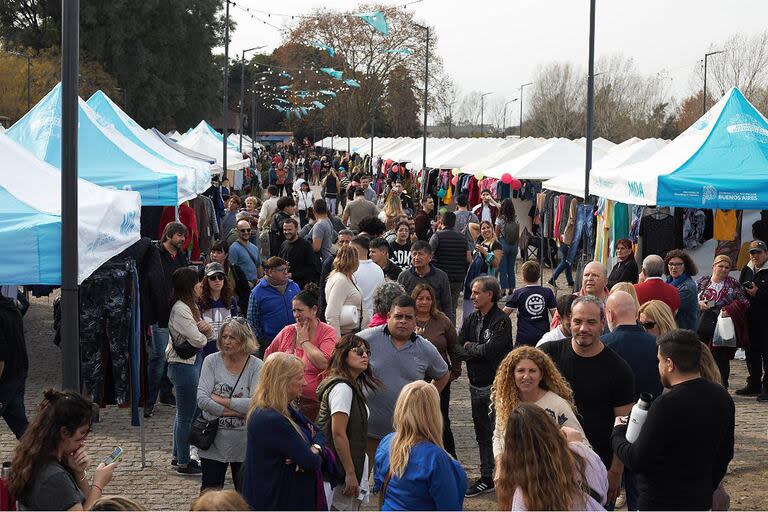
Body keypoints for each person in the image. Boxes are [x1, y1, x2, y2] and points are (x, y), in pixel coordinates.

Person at [611, 329, 735, 510]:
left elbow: (637, 459)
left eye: (659, 361)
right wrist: (706, 486)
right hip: (699, 501)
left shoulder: (666, 405)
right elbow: (725, 454)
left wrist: (618, 433)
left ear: (669, 363)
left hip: (660, 503)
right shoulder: (722, 397)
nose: (658, 367)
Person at [539, 295, 635, 507]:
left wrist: (615, 472)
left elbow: (624, 424)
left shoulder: (618, 369)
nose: (583, 328)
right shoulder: (547, 356)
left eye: (591, 322)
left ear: (603, 323)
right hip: (548, 466)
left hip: (596, 470)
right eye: (577, 321)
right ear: (568, 321)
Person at [357, 295, 450, 465]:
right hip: (366, 431)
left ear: (416, 321)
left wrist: (426, 398)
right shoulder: (366, 339)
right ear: (388, 317)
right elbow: (342, 360)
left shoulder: (425, 348)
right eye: (398, 316)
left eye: (408, 317)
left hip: (404, 435)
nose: (403, 321)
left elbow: (443, 374)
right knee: (361, 484)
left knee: (394, 485)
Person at [242, 353, 326, 511]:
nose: (305, 382)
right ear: (283, 381)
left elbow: (319, 433)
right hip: (277, 500)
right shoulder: (271, 418)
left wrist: (315, 448)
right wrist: (310, 450)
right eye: (300, 377)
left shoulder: (284, 409)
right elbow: (311, 462)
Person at [9, 390, 118, 510]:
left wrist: (79, 473)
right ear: (64, 432)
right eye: (81, 434)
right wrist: (98, 484)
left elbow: (87, 502)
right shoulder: (55, 477)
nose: (84, 441)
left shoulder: (38, 457)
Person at [453, 276, 513, 497]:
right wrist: (473, 348)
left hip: (497, 386)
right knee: (481, 434)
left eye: (477, 292)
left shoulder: (501, 320)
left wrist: (471, 347)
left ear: (490, 295)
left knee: (500, 433)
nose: (473, 296)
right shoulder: (471, 318)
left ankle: (504, 475)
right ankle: (487, 476)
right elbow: (457, 347)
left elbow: (492, 351)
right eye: (472, 292)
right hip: (474, 385)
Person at [373, 381, 467, 511]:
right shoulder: (436, 458)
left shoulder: (387, 442)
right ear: (433, 413)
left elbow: (378, 483)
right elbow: (449, 506)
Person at [496, 404, 607, 511]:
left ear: (513, 447)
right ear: (549, 425)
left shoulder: (524, 491)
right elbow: (603, 489)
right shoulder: (583, 454)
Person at [196, 318, 262, 492]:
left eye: (232, 337)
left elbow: (255, 404)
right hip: (213, 441)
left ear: (244, 340)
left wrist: (220, 400)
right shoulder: (211, 361)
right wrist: (236, 412)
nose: (226, 341)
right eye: (224, 336)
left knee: (244, 497)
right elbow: (202, 399)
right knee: (209, 494)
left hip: (244, 444)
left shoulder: (256, 366)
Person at [316, 335, 380, 509]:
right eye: (359, 351)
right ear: (343, 355)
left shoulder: (351, 385)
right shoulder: (342, 388)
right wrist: (350, 473)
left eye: (367, 352)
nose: (364, 355)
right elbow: (338, 433)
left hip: (343, 467)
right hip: (337, 471)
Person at [491, 347, 584, 459]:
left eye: (532, 371)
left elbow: (580, 442)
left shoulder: (557, 405)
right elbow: (498, 436)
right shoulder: (506, 403)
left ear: (541, 375)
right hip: (514, 471)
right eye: (521, 371)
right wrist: (500, 462)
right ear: (512, 374)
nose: (526, 376)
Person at [264, 287, 336, 420]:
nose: (296, 315)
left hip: (315, 405)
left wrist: (304, 341)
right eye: (294, 311)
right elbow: (268, 357)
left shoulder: (328, 332)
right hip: (284, 404)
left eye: (300, 310)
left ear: (314, 310)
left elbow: (323, 363)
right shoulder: (288, 331)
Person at [167, 266, 213, 475]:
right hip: (183, 366)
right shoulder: (181, 309)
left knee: (183, 413)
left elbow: (207, 333)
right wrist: (203, 334)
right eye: (197, 282)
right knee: (187, 415)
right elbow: (198, 338)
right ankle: (184, 461)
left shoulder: (190, 306)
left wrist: (204, 333)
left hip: (192, 362)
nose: (201, 285)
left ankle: (179, 456)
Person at [412, 283, 461, 457]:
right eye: (420, 298)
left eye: (428, 298)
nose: (424, 302)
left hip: (440, 378)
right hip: (415, 379)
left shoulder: (442, 321)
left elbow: (454, 347)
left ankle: (449, 457)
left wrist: (454, 372)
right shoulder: (408, 321)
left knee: (441, 419)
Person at [146, 222, 189, 417]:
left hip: (177, 314)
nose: (182, 240)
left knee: (171, 356)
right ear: (169, 235)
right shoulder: (154, 255)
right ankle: (149, 400)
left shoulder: (180, 256)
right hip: (159, 315)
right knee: (158, 358)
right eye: (180, 235)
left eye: (183, 236)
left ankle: (165, 393)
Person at [696, 254, 749, 389]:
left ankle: (722, 384)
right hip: (704, 322)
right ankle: (702, 383)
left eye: (727, 267)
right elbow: (691, 301)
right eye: (721, 266)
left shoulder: (733, 283)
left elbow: (744, 302)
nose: (724, 269)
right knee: (702, 354)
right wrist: (699, 303)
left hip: (723, 324)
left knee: (721, 357)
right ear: (714, 266)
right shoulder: (703, 281)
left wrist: (729, 309)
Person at [246, 257, 300, 357]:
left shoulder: (294, 286)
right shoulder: (257, 292)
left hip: (295, 339)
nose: (286, 273)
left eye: (286, 269)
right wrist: (263, 341)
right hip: (271, 342)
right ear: (270, 272)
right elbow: (252, 322)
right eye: (282, 270)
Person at [737, 240, 768, 399]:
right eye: (753, 253)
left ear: (766, 254)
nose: (755, 255)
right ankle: (754, 383)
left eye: (759, 252)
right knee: (751, 352)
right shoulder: (747, 268)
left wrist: (758, 293)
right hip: (750, 317)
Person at [397, 241, 454, 323]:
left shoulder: (441, 276)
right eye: (414, 254)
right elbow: (399, 302)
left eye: (420, 254)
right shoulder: (404, 276)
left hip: (434, 320)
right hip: (410, 321)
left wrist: (448, 323)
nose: (416, 257)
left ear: (430, 257)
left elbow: (447, 303)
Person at [503, 261, 557, 347]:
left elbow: (504, 314)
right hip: (543, 336)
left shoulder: (518, 293)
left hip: (524, 337)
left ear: (523, 277)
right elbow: (556, 316)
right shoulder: (548, 292)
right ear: (539, 276)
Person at [429, 211, 472, 317]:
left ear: (442, 221)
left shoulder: (437, 236)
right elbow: (468, 258)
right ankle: (451, 330)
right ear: (454, 223)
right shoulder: (463, 238)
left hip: (440, 276)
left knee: (438, 306)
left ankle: (440, 330)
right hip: (458, 278)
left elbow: (428, 254)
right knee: (452, 308)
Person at [0, 288, 29, 438]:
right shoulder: (11, 308)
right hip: (17, 374)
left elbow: (1, 356)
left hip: (6, 379)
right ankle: (44, 456)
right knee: (21, 426)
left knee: (21, 426)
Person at [198, 262, 238, 357]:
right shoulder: (199, 301)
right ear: (206, 280)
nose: (217, 280)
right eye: (213, 278)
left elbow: (235, 326)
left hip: (227, 349)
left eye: (220, 277)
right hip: (206, 350)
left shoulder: (231, 300)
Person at [325, 245, 363, 336]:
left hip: (351, 333)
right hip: (345, 334)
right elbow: (331, 315)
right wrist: (338, 343)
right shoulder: (341, 281)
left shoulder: (344, 277)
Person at [208, 242, 251, 316]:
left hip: (233, 308)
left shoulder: (235, 271)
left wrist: (240, 307)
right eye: (213, 252)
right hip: (210, 309)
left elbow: (245, 292)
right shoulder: (204, 272)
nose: (214, 255)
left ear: (226, 255)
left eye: (219, 252)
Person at [351, 236, 385, 327]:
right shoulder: (378, 269)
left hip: (354, 318)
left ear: (355, 250)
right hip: (373, 319)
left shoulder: (352, 270)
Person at [278, 218, 318, 289]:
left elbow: (312, 268)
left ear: (296, 229)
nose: (287, 232)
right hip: (285, 286)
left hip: (301, 287)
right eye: (285, 230)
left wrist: (292, 275)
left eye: (289, 229)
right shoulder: (283, 244)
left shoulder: (306, 246)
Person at [664, 249, 699, 330]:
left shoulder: (688, 287)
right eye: (671, 264)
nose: (674, 267)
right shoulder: (669, 281)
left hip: (683, 332)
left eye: (678, 264)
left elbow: (667, 309)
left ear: (685, 266)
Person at [495, 198, 519, 296]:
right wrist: (517, 246)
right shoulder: (515, 218)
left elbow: (496, 234)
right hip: (513, 245)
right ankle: (512, 288)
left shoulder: (500, 219)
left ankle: (503, 289)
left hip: (502, 244)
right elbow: (518, 233)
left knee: (503, 269)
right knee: (511, 268)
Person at [227, 219, 261, 286]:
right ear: (237, 231)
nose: (246, 232)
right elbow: (231, 271)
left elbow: (258, 266)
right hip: (243, 286)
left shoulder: (255, 247)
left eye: (248, 230)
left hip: (255, 284)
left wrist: (260, 279)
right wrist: (244, 283)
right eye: (243, 230)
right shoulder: (233, 248)